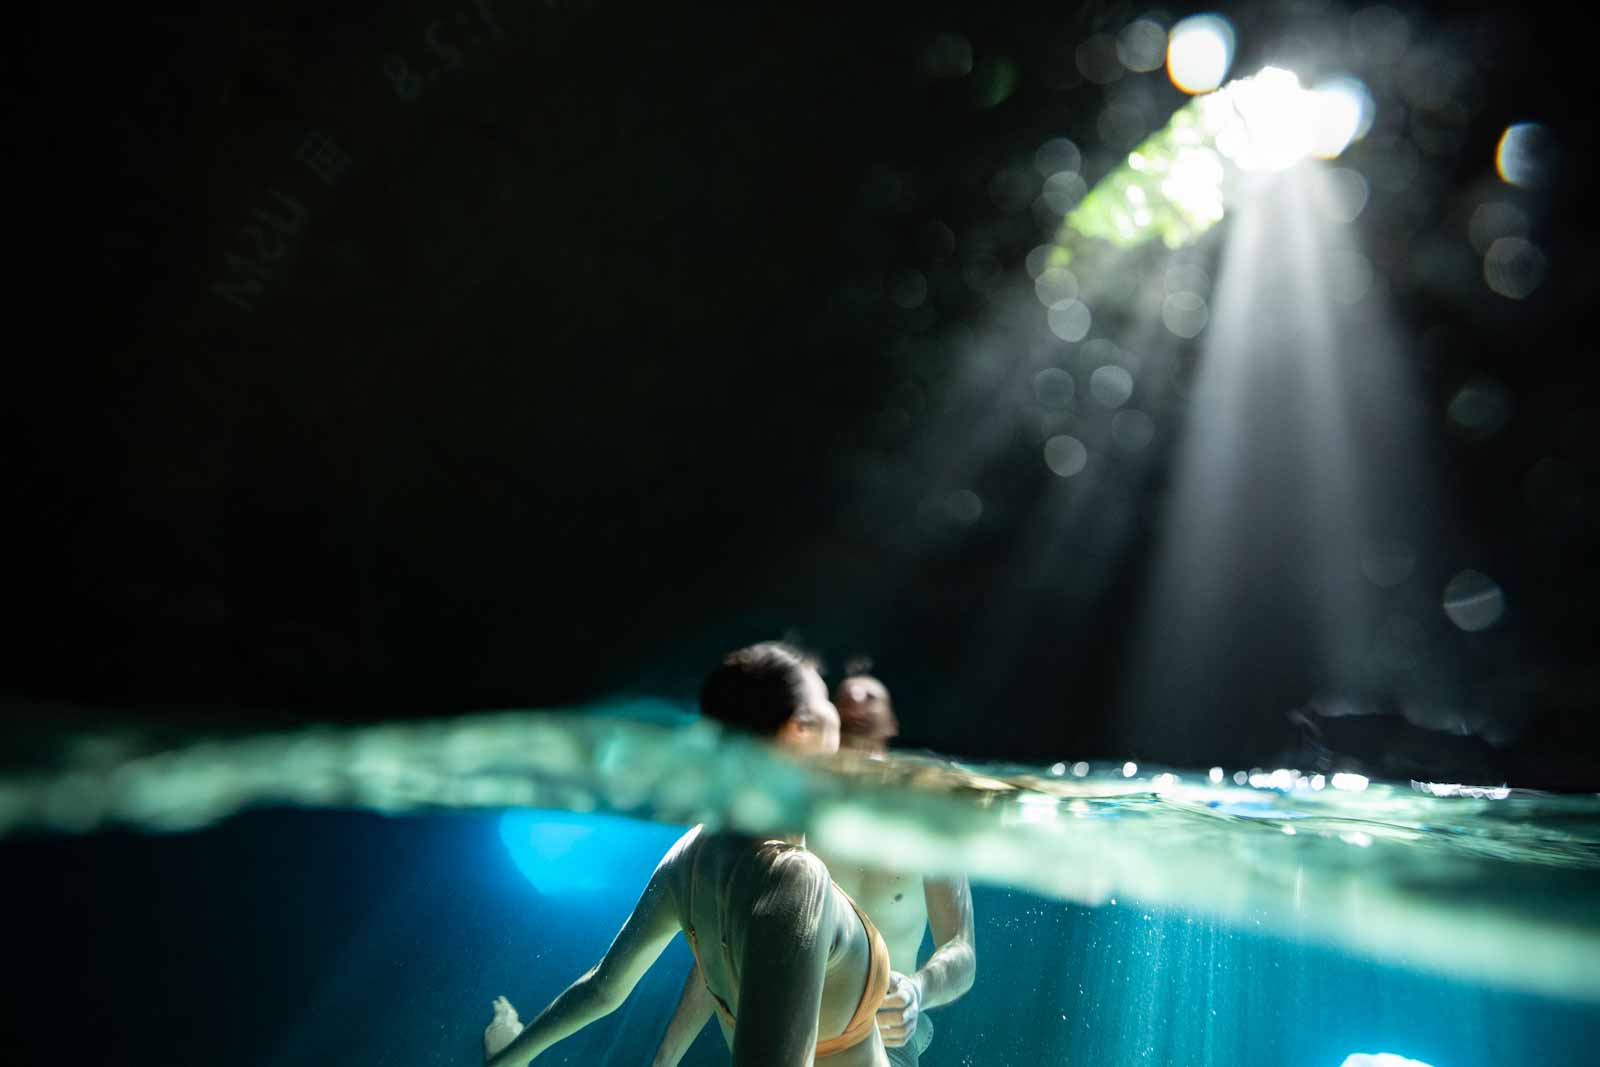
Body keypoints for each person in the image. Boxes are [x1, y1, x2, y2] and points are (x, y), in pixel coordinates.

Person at [483, 642, 893, 1067]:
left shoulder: (691, 854)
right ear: (798, 728)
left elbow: (602, 990)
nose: (838, 713)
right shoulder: (794, 879)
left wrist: (511, 1058)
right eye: (825, 700)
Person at [652, 670, 975, 1067]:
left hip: (883, 1036)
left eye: (871, 698)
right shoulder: (793, 816)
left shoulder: (928, 816)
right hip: (783, 1026)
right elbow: (726, 938)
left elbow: (962, 949)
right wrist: (665, 1057)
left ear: (893, 723)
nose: (856, 700)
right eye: (843, 706)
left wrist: (918, 991)